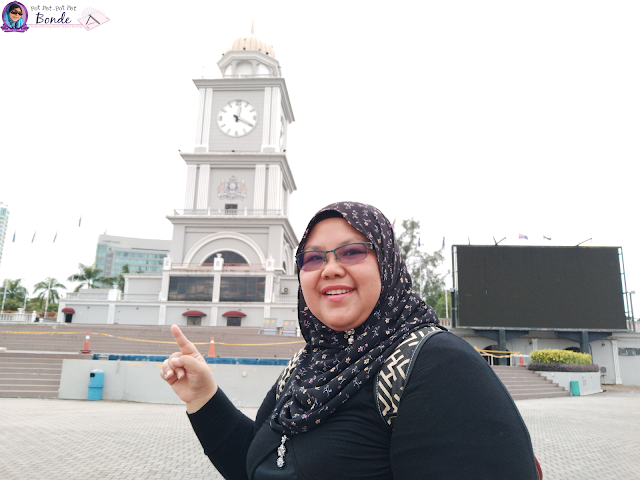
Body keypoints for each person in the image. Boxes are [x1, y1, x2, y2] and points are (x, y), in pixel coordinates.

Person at [161, 202, 539, 479]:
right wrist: (203, 399)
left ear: (387, 264)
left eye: (353, 252)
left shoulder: (436, 365)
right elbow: (258, 465)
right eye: (311, 259)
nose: (330, 269)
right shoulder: (308, 366)